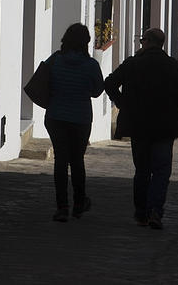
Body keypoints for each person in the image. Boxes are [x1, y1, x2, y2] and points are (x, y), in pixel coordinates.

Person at [104, 27, 178, 230]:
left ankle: (141, 213)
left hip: (139, 125)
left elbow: (109, 83)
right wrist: (174, 105)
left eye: (142, 40)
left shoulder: (132, 64)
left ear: (147, 42)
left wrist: (122, 103)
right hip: (165, 128)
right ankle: (155, 210)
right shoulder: (175, 66)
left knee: (142, 170)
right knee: (162, 170)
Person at [44, 23, 104, 222]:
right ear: (86, 42)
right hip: (80, 118)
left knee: (60, 161)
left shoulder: (55, 61)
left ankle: (62, 207)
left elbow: (44, 82)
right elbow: (97, 91)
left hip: (56, 116)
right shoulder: (91, 65)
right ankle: (79, 203)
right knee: (77, 160)